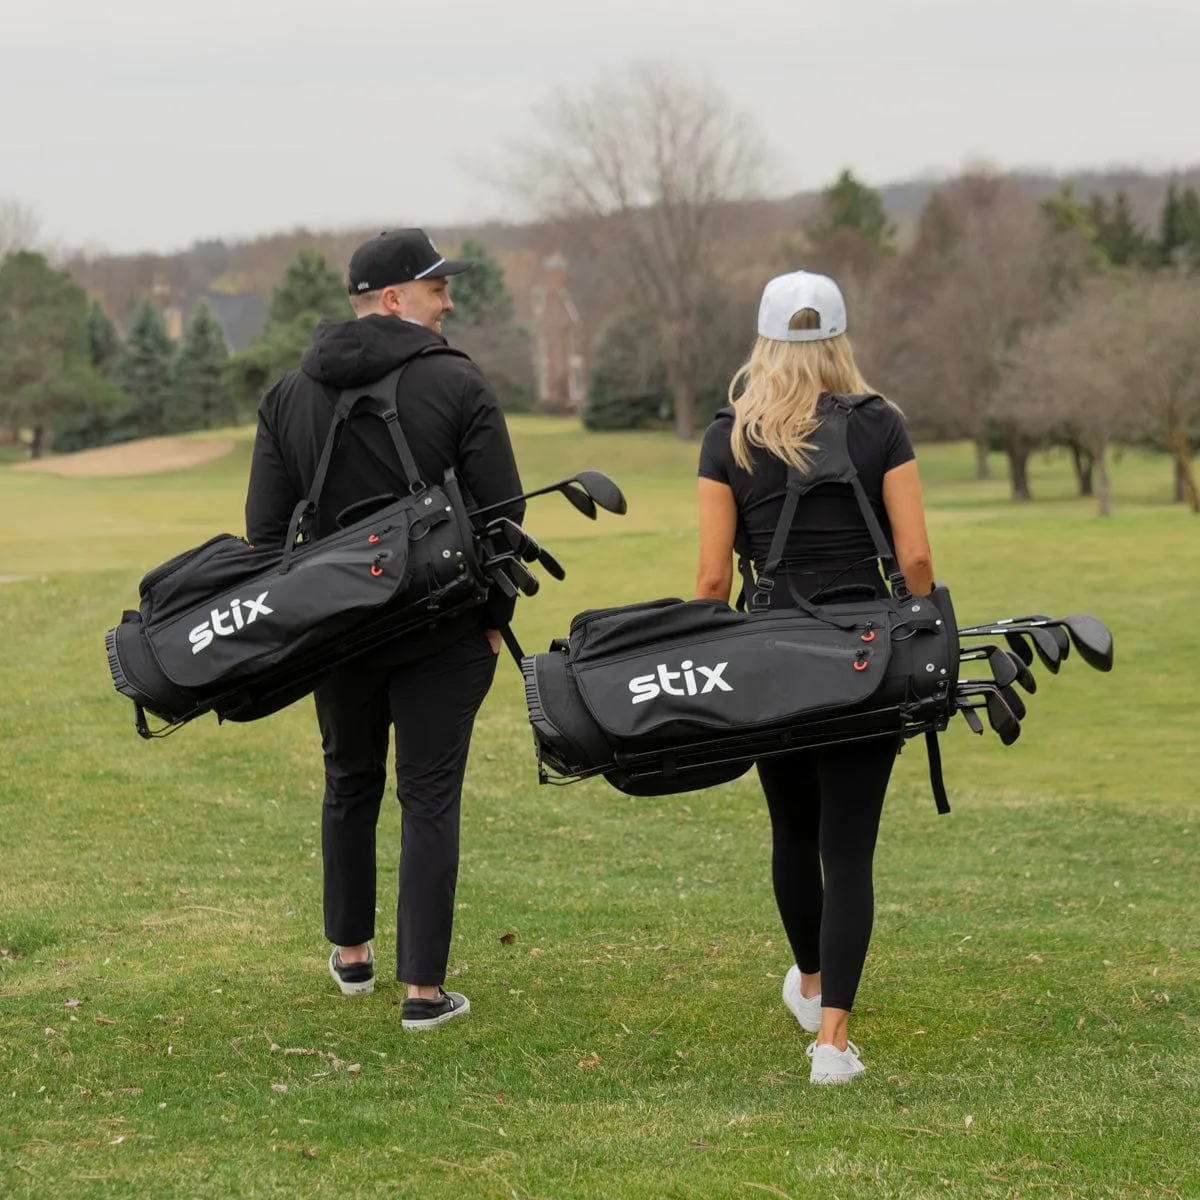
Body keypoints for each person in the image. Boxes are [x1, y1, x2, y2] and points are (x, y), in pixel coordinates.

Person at [244, 228, 524, 1030]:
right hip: (441, 625)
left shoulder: (287, 395)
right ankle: (424, 993)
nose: (449, 299)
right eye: (437, 287)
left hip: (337, 633)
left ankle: (353, 953)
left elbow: (266, 536)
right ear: (396, 299)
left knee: (349, 781)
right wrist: (494, 617)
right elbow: (505, 514)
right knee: (428, 796)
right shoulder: (456, 383)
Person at [694, 269, 934, 1083]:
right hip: (865, 656)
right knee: (850, 850)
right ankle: (830, 1041)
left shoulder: (730, 434)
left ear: (764, 342)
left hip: (772, 658)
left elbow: (707, 581)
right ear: (838, 339)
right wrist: (922, 621)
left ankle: (811, 980)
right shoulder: (880, 426)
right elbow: (916, 559)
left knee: (792, 832)